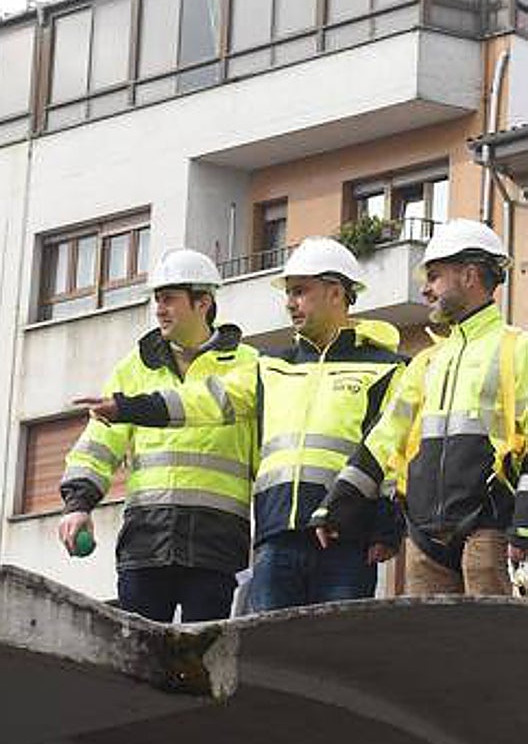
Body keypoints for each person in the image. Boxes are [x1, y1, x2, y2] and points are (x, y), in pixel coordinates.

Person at [78, 238, 404, 612]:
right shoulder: (272, 366)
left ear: (335, 293)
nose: (289, 303)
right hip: (275, 537)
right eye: (289, 293)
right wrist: (125, 407)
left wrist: (387, 528)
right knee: (265, 659)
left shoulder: (387, 367)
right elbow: (205, 399)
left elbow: (390, 455)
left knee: (333, 655)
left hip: (346, 539)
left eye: (300, 292)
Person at [312, 219, 528, 596]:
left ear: (470, 275)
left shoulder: (518, 348)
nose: (425, 289)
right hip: (424, 538)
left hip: (490, 528)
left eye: (434, 276)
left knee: (491, 647)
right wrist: (339, 502)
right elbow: (384, 437)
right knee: (429, 651)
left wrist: (523, 524)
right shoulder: (426, 362)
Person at [57, 249, 257, 623]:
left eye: (169, 299)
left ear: (203, 302)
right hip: (145, 540)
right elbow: (99, 443)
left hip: (215, 543)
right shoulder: (134, 367)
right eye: (157, 300)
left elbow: (266, 453)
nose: (159, 309)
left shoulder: (249, 365)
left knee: (200, 661)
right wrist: (78, 504)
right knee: (139, 659)